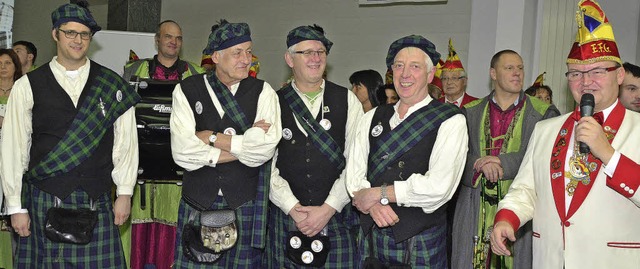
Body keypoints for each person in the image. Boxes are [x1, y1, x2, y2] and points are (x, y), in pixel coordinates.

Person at [491, 1, 640, 268]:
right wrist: (506, 217)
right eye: (575, 73)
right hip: (550, 259)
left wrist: (607, 154)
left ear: (619, 75)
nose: (585, 81)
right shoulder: (546, 129)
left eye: (597, 71)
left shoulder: (637, 128)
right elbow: (525, 189)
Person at [0, 2, 140, 267]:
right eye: (70, 33)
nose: (78, 40)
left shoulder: (111, 85)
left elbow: (125, 143)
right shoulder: (28, 85)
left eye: (84, 34)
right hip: (45, 196)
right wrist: (16, 206)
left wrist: (124, 192)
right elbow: (14, 147)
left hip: (96, 198)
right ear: (55, 34)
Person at [346, 35, 468, 268]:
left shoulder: (451, 120)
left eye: (415, 66)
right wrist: (372, 203)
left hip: (421, 240)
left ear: (430, 75)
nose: (405, 74)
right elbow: (354, 175)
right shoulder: (372, 117)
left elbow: (438, 188)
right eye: (399, 66)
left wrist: (378, 193)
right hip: (373, 237)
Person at [170, 19, 281, 268]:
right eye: (237, 52)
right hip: (197, 201)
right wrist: (246, 143)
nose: (246, 59)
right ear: (216, 57)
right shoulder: (187, 90)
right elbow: (182, 152)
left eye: (249, 51)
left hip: (245, 204)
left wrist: (211, 138)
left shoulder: (264, 92)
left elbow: (265, 150)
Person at [266, 24, 363, 268]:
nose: (315, 58)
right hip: (288, 217)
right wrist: (293, 208)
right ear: (289, 59)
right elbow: (266, 165)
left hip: (336, 216)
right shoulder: (272, 102)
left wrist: (328, 208)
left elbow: (357, 161)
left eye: (320, 52)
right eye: (306, 52)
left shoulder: (347, 99)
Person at [452, 50, 559, 269]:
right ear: (493, 73)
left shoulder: (544, 113)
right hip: (475, 203)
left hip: (522, 206)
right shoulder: (468, 112)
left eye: (520, 68)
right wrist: (478, 163)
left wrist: (501, 163)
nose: (517, 73)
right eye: (509, 68)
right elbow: (454, 158)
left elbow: (545, 157)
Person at [123, 20, 204, 82]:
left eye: (178, 38)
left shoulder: (197, 73)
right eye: (168, 37)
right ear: (157, 40)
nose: (174, 42)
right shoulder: (133, 70)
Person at [0, 48, 22, 269]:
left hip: (15, 158)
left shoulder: (22, 89)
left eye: (7, 62)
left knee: (13, 209)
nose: (3, 66)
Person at [438, 38, 477, 107]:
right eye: (445, 78)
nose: (449, 82)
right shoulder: (434, 106)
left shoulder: (476, 105)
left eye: (454, 78)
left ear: (464, 81)